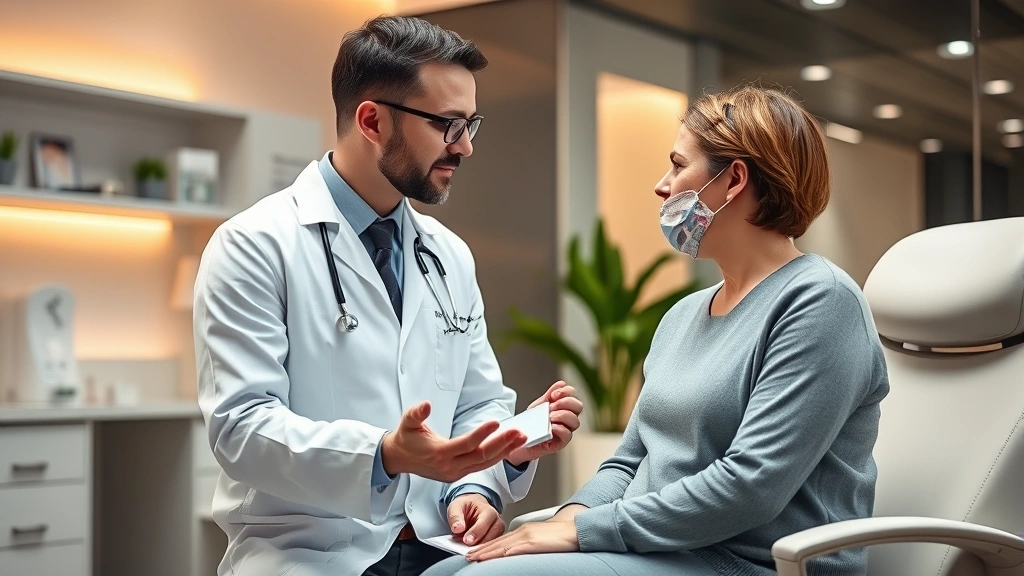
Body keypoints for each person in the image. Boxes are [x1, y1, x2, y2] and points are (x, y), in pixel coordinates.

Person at [424, 85, 891, 576]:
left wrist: (581, 532)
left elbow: (751, 487)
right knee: (442, 573)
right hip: (656, 552)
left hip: (743, 563)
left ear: (734, 180)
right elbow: (628, 463)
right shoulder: (683, 315)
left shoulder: (821, 302)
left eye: (677, 165)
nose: (661, 186)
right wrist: (566, 521)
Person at [193, 15, 583, 576]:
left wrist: (477, 485)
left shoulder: (448, 254)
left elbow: (477, 403)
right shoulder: (254, 245)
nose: (466, 146)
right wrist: (385, 455)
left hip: (439, 546)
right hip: (310, 553)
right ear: (372, 121)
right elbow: (242, 429)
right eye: (448, 125)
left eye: (471, 123)